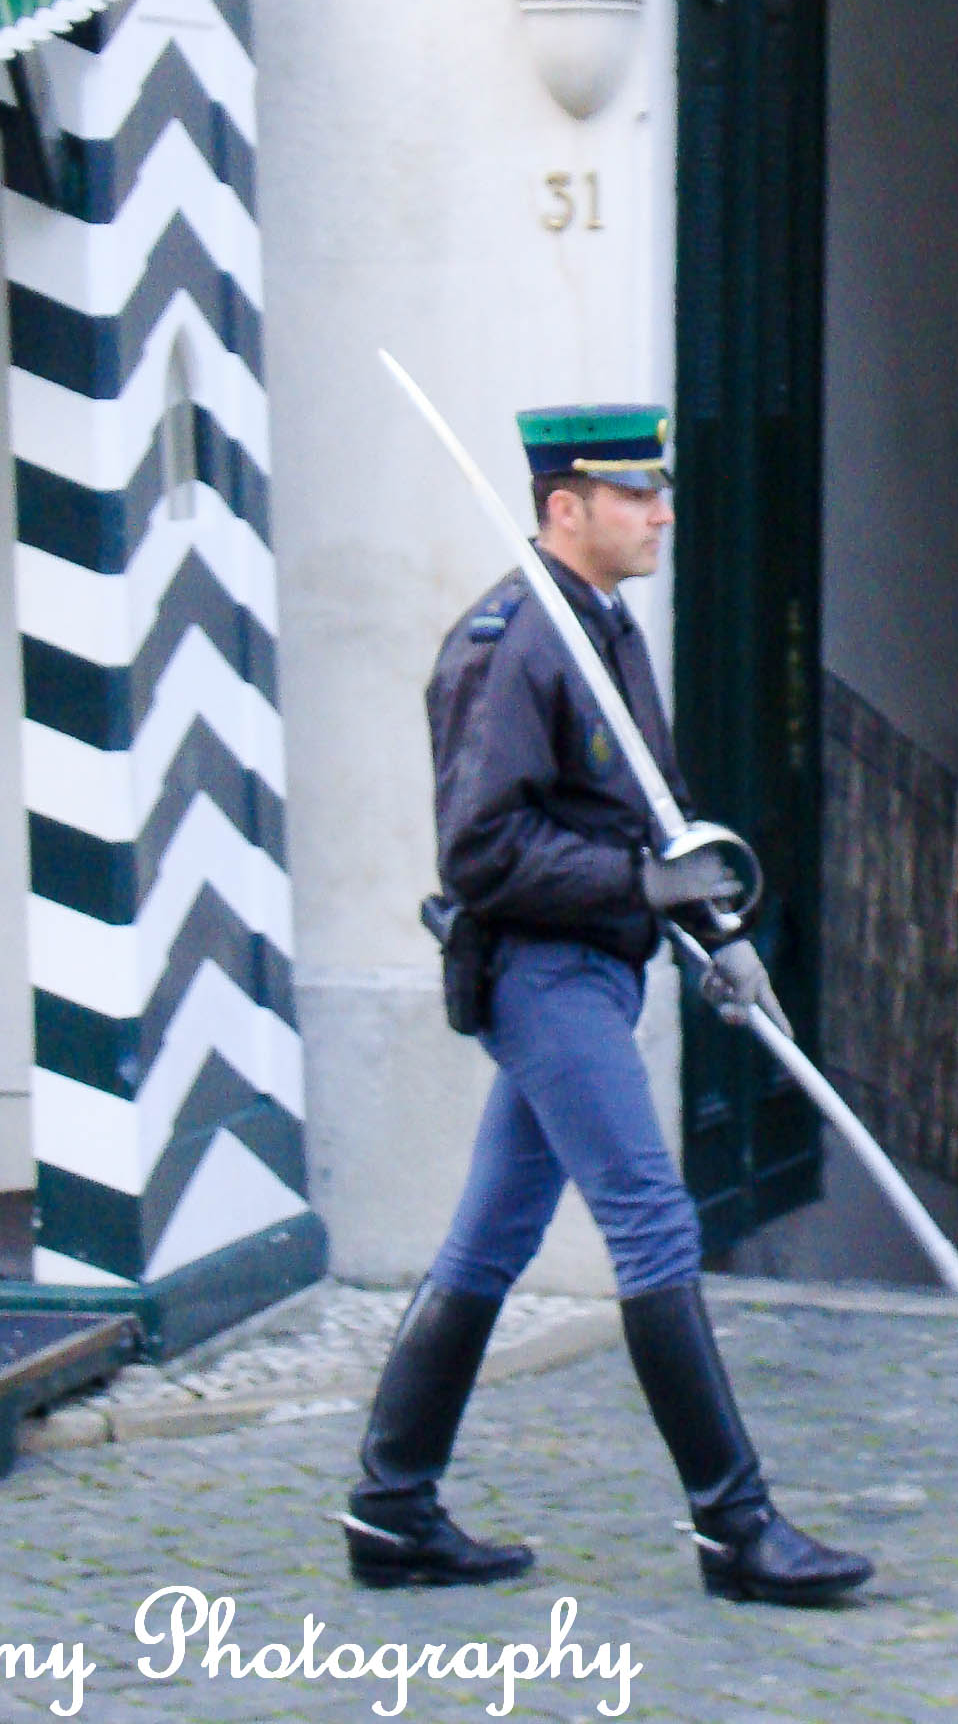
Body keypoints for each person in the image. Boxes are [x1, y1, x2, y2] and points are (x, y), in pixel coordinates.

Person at [341, 402, 872, 1606]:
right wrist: (640, 886)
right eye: (635, 494)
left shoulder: (602, 628)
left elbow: (653, 817)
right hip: (541, 975)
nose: (661, 513)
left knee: (490, 1238)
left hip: (595, 967)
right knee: (653, 1225)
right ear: (563, 505)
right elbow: (481, 853)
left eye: (658, 491)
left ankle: (390, 1507)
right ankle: (735, 1525)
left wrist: (717, 935)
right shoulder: (511, 643)